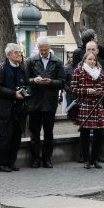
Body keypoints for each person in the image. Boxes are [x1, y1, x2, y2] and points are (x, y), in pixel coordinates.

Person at [0, 43, 28, 172]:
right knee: (5, 137)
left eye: (20, 52)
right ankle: (0, 164)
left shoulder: (22, 68)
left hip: (18, 109)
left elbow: (26, 83)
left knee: (16, 137)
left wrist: (25, 90)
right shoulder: (1, 68)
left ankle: (11, 162)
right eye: (16, 52)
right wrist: (13, 94)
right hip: (4, 109)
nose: (19, 54)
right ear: (8, 54)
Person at [24, 37, 66, 168]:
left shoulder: (57, 62)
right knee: (34, 132)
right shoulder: (31, 61)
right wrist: (33, 80)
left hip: (49, 102)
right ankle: (36, 158)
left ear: (49, 48)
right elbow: (25, 80)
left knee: (49, 132)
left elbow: (62, 82)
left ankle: (47, 157)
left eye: (45, 50)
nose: (43, 52)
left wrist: (51, 82)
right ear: (38, 48)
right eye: (41, 49)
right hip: (34, 102)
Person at [71, 50, 104, 169]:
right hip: (85, 104)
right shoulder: (78, 71)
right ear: (84, 60)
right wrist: (86, 91)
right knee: (85, 133)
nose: (92, 61)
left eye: (94, 59)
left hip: (98, 104)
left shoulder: (100, 71)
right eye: (89, 59)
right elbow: (73, 89)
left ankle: (94, 159)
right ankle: (86, 159)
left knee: (99, 133)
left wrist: (100, 91)